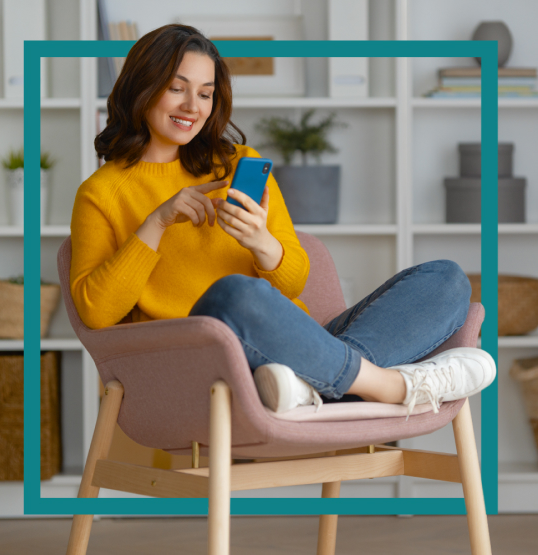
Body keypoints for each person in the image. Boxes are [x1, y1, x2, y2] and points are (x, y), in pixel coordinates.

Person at [70, 24, 495, 418]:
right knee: (235, 295)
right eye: (175, 88)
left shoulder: (239, 163)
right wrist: (156, 223)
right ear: (141, 89)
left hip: (298, 343)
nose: (191, 107)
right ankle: (386, 385)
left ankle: (308, 386)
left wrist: (262, 243)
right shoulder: (101, 193)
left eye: (205, 93)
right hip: (206, 359)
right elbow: (96, 313)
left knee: (446, 279)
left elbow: (292, 284)